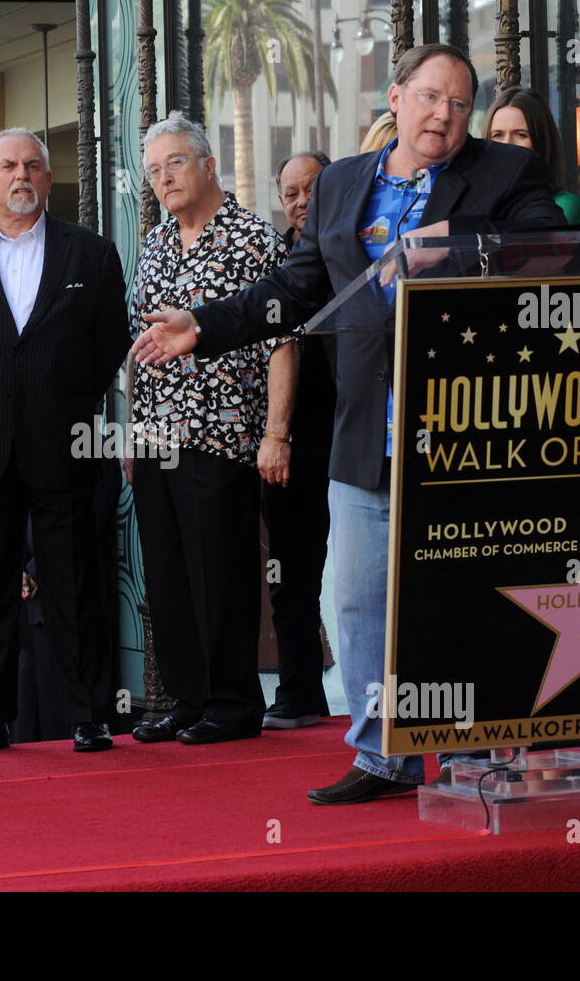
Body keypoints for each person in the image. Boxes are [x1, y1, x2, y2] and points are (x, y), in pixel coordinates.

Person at [133, 44, 564, 802]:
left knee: (468, 598)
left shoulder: (503, 172)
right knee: (361, 603)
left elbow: (544, 249)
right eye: (431, 97)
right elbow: (294, 288)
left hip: (463, 431)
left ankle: (485, 752)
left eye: (461, 104)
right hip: (366, 431)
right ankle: (384, 758)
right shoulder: (337, 186)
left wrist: (456, 250)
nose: (445, 115)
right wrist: (200, 326)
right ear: (395, 99)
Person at [0, 127, 130, 755]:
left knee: (74, 587)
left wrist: (66, 398)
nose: (23, 176)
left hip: (62, 444)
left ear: (48, 178)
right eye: (8, 165)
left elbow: (109, 343)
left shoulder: (89, 253)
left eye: (34, 166)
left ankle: (87, 716)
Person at [127, 113, 291, 746]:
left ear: (208, 165)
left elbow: (283, 341)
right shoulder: (156, 244)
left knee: (220, 571)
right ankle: (188, 699)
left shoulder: (253, 238)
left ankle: (233, 701)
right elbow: (139, 345)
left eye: (175, 163)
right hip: (155, 436)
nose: (164, 177)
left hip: (221, 433)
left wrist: (276, 432)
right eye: (154, 169)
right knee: (167, 574)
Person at [261, 151, 336, 730]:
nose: (301, 202)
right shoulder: (275, 261)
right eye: (290, 194)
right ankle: (300, 692)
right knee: (292, 571)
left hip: (365, 432)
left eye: (311, 190)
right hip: (296, 441)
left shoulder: (359, 244)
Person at [484, 86, 580, 224]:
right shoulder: (476, 200)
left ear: (542, 141)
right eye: (498, 135)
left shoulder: (563, 206)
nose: (507, 144)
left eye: (521, 135)